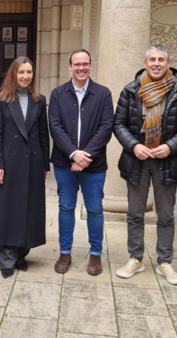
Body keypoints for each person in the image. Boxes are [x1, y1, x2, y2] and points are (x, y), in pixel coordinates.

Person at [113, 44, 177, 285]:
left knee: (166, 215)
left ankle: (165, 262)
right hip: (137, 161)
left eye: (161, 60)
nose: (156, 64)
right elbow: (118, 123)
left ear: (168, 64)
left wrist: (170, 146)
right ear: (145, 63)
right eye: (152, 60)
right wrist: (134, 146)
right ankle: (135, 258)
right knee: (135, 213)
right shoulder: (130, 90)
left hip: (166, 161)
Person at [48, 49, 114, 275]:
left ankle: (95, 254)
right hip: (65, 163)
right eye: (77, 64)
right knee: (66, 207)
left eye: (85, 64)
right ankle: (64, 252)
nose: (81, 68)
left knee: (95, 209)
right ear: (70, 67)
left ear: (90, 66)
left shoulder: (103, 94)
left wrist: (84, 156)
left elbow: (106, 127)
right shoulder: (58, 94)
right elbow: (55, 127)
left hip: (94, 165)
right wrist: (73, 154)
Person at [0, 57, 50, 278]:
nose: (25, 76)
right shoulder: (1, 100)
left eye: (29, 72)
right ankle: (7, 258)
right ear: (13, 74)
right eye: (21, 72)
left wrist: (45, 164)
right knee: (7, 210)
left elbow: (43, 134)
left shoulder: (39, 100)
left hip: (33, 163)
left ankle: (21, 254)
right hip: (8, 163)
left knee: (28, 210)